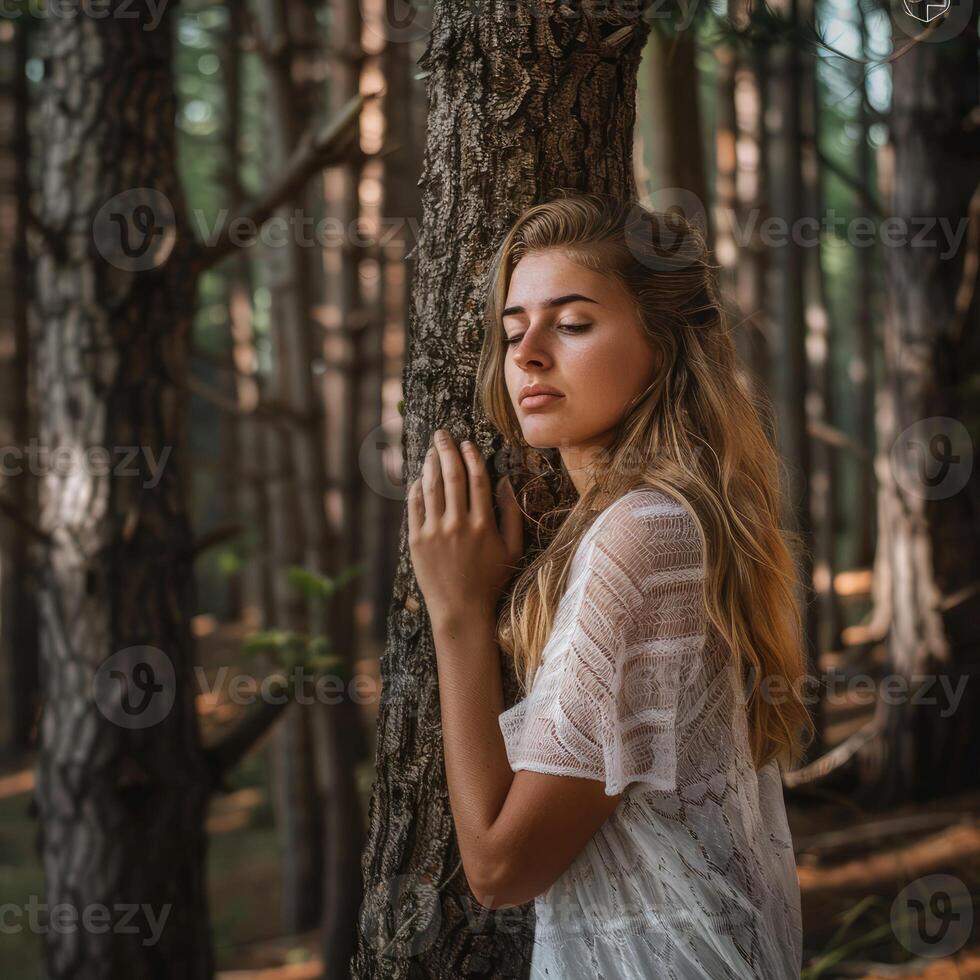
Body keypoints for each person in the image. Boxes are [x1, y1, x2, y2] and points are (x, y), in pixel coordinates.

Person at [407, 191, 814, 978]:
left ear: (661, 346)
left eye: (573, 323)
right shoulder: (663, 521)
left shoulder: (644, 535)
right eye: (514, 327)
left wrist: (457, 615)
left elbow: (500, 870)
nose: (526, 354)